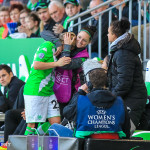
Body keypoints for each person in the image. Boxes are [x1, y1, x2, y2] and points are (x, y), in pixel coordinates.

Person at [61, 59, 131, 139]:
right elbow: (126, 130)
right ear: (107, 82)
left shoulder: (81, 100)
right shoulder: (119, 101)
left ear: (89, 84)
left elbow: (67, 113)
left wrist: (80, 92)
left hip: (86, 145)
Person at [42, 26, 96, 120]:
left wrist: (66, 47)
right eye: (79, 37)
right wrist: (58, 43)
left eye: (84, 40)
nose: (80, 41)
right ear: (77, 35)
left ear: (89, 43)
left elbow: (64, 65)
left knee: (59, 119)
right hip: (53, 85)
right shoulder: (69, 38)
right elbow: (44, 33)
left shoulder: (84, 57)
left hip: (68, 93)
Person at [23, 37, 71, 135]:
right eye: (69, 44)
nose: (70, 47)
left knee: (56, 124)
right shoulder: (48, 45)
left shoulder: (60, 51)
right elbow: (36, 65)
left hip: (49, 90)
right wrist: (57, 63)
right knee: (31, 125)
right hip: (36, 89)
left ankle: (44, 142)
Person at [107, 19, 147, 129]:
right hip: (126, 98)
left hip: (133, 100)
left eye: (108, 32)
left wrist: (110, 97)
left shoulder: (123, 53)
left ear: (114, 35)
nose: (107, 35)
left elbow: (124, 82)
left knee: (124, 134)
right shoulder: (121, 49)